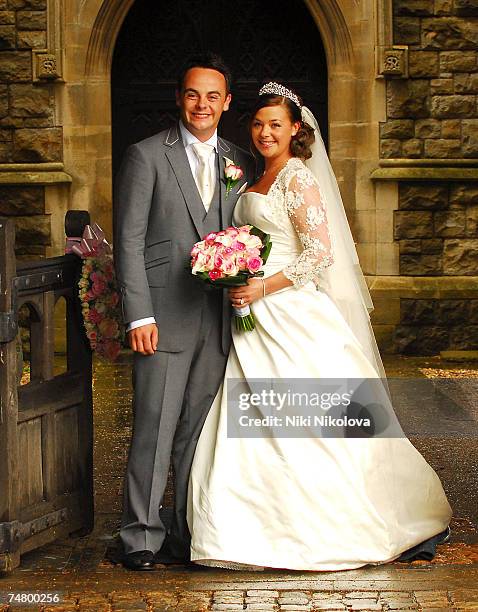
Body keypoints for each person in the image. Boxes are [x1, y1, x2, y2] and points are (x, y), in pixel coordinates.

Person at [186, 82, 452, 571]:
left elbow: (319, 253)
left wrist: (262, 288)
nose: (266, 132)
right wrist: (231, 267)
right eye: (259, 123)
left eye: (276, 125)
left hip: (290, 312)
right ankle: (249, 527)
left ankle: (334, 524)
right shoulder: (254, 176)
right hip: (252, 317)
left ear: (295, 131)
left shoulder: (298, 178)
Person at [114, 53, 254, 571]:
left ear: (227, 103)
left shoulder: (239, 161)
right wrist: (138, 316)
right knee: (154, 427)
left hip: (217, 322)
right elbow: (128, 242)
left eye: (213, 96)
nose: (202, 105)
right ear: (179, 98)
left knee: (197, 433)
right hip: (162, 318)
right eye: (193, 94)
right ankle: (140, 537)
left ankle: (186, 529)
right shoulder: (146, 155)